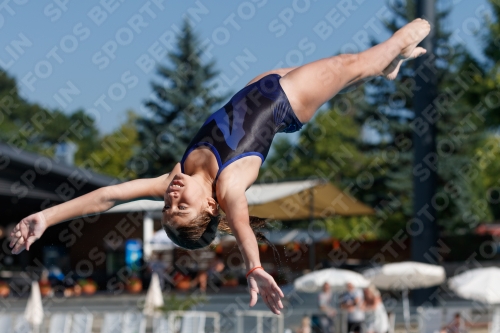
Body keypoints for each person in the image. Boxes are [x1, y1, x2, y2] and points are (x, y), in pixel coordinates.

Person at [9, 19, 431, 315]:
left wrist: (47, 216)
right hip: (288, 101)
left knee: (348, 73)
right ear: (211, 208)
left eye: (167, 208)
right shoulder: (230, 188)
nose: (171, 199)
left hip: (257, 87)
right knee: (350, 63)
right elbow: (244, 227)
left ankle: (385, 68)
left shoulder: (175, 175)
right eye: (182, 208)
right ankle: (396, 47)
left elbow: (107, 196)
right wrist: (255, 267)